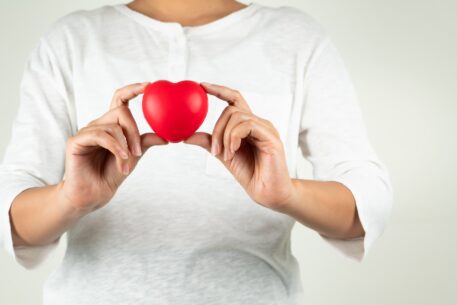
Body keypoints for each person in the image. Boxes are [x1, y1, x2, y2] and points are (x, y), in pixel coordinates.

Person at [0, 0, 392, 304]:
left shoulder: (295, 38)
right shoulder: (71, 40)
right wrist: (71, 198)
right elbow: (14, 216)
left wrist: (287, 193)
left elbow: (366, 202)